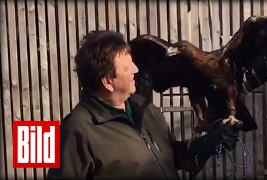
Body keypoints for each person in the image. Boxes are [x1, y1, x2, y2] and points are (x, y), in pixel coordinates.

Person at [46, 30, 241, 179]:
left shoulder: (145, 109)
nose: (136, 69)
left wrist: (209, 143)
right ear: (107, 81)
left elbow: (175, 159)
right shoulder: (78, 131)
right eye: (127, 67)